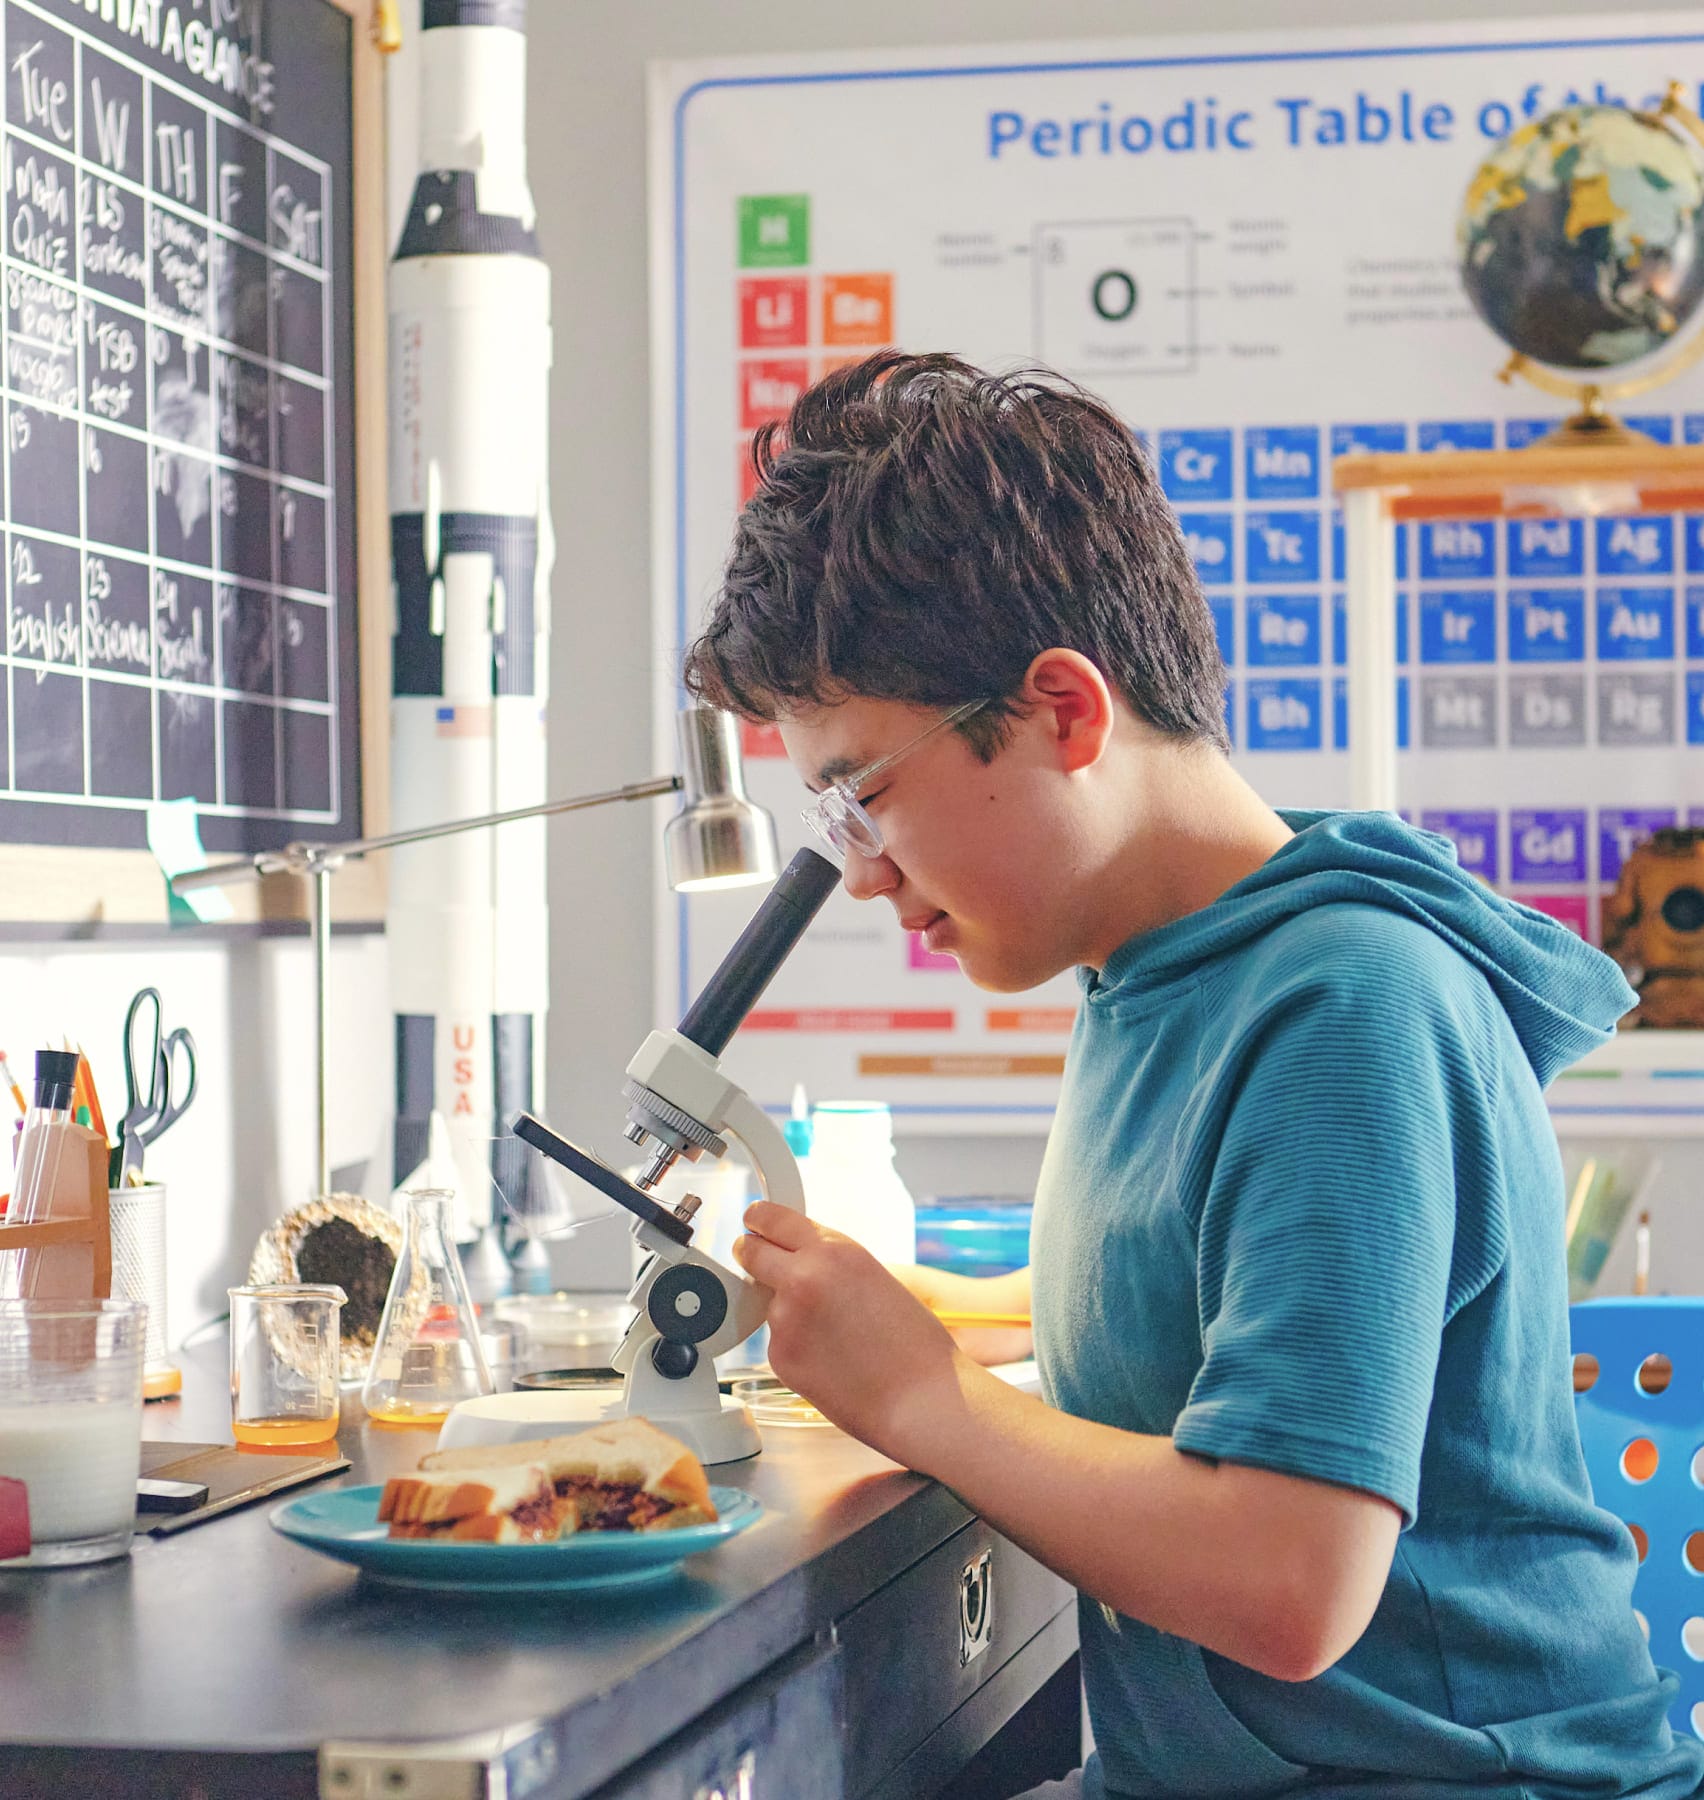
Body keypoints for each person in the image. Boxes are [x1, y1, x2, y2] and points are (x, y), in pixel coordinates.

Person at [683, 351, 1703, 1800]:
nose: (860, 873)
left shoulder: (1351, 1011)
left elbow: (1291, 1579)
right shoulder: (1151, 980)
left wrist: (919, 1393)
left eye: (869, 792)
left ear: (1064, 713)